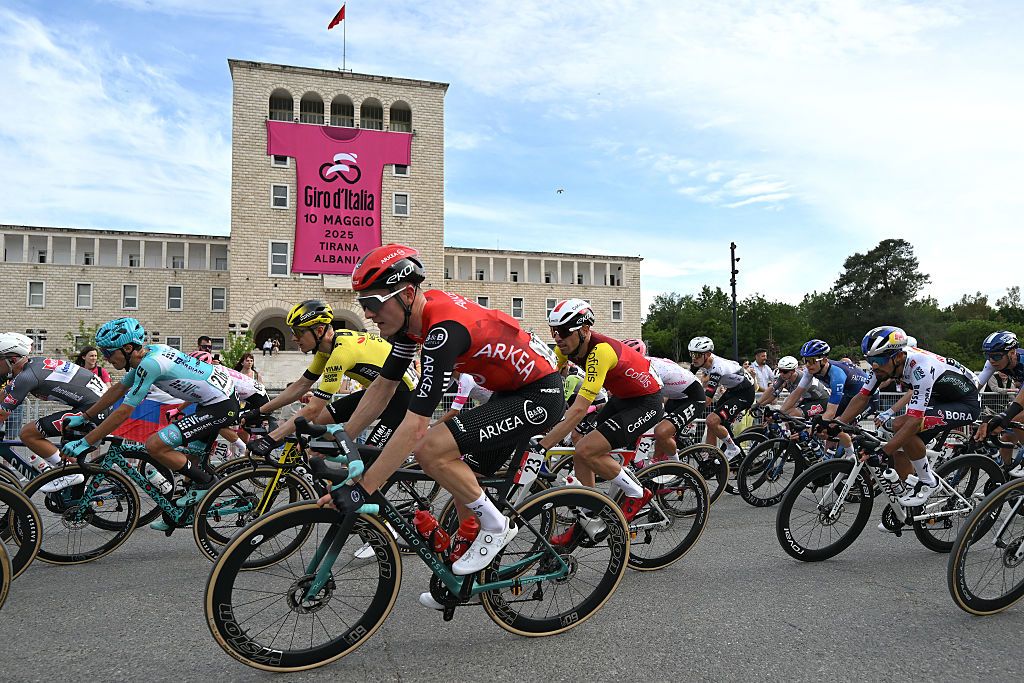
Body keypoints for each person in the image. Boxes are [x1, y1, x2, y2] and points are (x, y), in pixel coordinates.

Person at [316, 244, 564, 607]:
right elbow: (383, 388)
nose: (368, 315)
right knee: (460, 473)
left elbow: (417, 424)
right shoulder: (408, 328)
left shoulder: (442, 331)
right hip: (509, 392)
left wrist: (366, 486)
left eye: (373, 302)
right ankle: (463, 574)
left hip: (540, 394)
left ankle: (497, 527)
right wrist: (343, 437)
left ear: (408, 294)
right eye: (363, 304)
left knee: (432, 448)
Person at [61, 318, 240, 510]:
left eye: (108, 352)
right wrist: (84, 416)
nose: (106, 358)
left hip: (221, 405)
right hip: (210, 401)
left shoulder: (151, 364)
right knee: (192, 464)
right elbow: (117, 390)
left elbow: (124, 412)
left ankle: (208, 483)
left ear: (128, 348)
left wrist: (86, 441)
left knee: (155, 445)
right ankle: (183, 511)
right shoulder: (150, 354)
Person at [531, 302, 663, 544]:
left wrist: (544, 445)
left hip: (646, 402)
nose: (557, 338)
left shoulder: (600, 351)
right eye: (553, 331)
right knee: (581, 443)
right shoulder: (564, 349)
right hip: (622, 399)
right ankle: (589, 515)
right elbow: (542, 381)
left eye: (563, 332)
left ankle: (637, 493)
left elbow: (580, 408)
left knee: (586, 449)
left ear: (584, 330)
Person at [244, 299, 418, 455]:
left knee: (366, 460)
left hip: (404, 397)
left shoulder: (340, 353)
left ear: (319, 330)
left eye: (298, 332)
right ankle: (324, 465)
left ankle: (356, 480)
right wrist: (260, 411)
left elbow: (313, 408)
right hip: (380, 392)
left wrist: (272, 438)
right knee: (321, 422)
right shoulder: (326, 349)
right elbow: (301, 386)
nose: (293, 338)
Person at [837, 326, 980, 507]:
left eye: (879, 360)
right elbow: (862, 396)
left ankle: (929, 481)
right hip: (940, 398)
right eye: (870, 360)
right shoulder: (884, 366)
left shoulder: (921, 368)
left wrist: (882, 453)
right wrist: (837, 424)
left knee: (900, 426)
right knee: (898, 444)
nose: (874, 366)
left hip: (966, 402)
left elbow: (913, 422)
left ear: (898, 357)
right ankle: (908, 498)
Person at [0, 332, 106, 492]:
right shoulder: (31, 366)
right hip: (95, 403)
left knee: (28, 433)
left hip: (95, 407)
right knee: (64, 451)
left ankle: (70, 474)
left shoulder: (27, 376)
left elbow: (2, 414)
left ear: (12, 360)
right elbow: (4, 394)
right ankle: (76, 485)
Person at [619, 339, 704, 462]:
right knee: (656, 429)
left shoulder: (652, 369)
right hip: (675, 396)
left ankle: (677, 467)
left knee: (661, 431)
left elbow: (652, 399)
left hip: (694, 397)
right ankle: (658, 466)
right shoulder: (643, 365)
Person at [687, 336, 755, 461]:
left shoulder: (717, 368)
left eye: (697, 355)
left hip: (745, 393)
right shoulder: (701, 361)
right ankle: (710, 458)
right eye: (692, 354)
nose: (693, 358)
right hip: (733, 390)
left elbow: (707, 400)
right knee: (711, 423)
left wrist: (686, 412)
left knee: (712, 420)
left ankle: (732, 448)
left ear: (707, 354)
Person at [973, 331, 1024, 477]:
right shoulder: (993, 362)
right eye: (988, 356)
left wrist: (1005, 416)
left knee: (1015, 419)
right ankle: (1006, 473)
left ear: (1012, 353)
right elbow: (975, 386)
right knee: (1007, 437)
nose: (991, 360)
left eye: (995, 356)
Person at [779, 339, 868, 422]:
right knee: (828, 429)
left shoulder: (837, 375)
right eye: (805, 360)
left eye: (811, 361)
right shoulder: (810, 370)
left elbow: (831, 412)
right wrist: (781, 412)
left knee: (837, 426)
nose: (807, 365)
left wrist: (814, 427)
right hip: (849, 396)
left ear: (824, 360)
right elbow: (797, 393)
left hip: (867, 398)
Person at [755, 355, 830, 417]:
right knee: (787, 416)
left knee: (792, 414)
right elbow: (772, 390)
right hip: (808, 399)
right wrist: (758, 404)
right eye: (780, 370)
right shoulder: (783, 377)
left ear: (793, 371)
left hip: (822, 400)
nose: (781, 374)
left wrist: (780, 412)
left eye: (784, 371)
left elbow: (794, 399)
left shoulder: (802, 380)